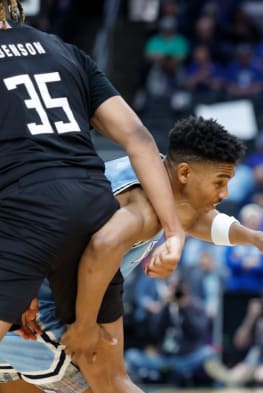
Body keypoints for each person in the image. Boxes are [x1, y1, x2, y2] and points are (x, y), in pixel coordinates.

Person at [0, 117, 263, 393]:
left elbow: (197, 217)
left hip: (21, 292)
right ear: (186, 173)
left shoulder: (156, 173)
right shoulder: (143, 208)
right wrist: (84, 325)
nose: (224, 192)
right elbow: (101, 249)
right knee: (111, 391)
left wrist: (255, 238)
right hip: (38, 308)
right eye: (219, 181)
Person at [0, 0, 185, 359]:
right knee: (111, 383)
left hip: (23, 214)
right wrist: (174, 232)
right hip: (92, 208)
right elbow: (140, 139)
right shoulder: (64, 50)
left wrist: (18, 276)